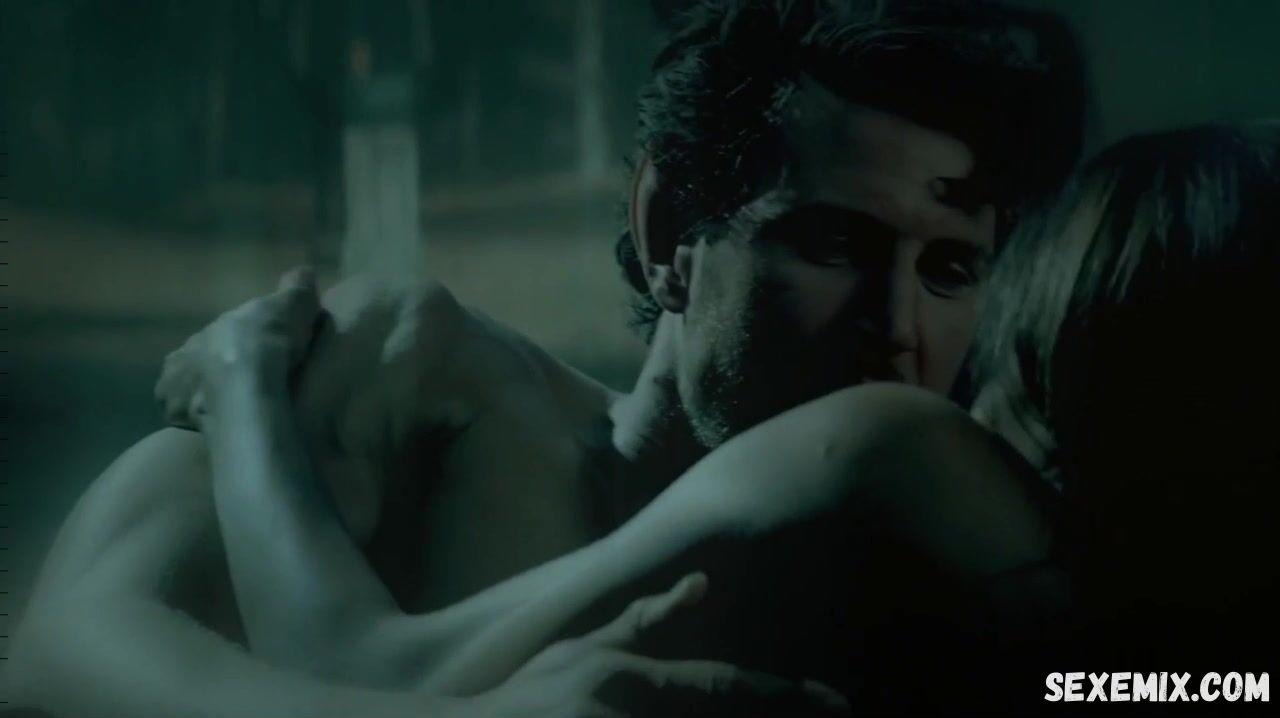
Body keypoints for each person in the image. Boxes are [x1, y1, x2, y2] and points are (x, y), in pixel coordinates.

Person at [3, 1, 1085, 715]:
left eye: (950, 268)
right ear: (670, 230)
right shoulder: (424, 391)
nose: (894, 323)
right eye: (832, 245)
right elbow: (59, 654)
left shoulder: (939, 506)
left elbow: (1150, 682)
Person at [171, 122, 1280, 714]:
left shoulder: (901, 450)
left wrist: (245, 387)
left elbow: (357, 669)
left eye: (961, 267)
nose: (905, 323)